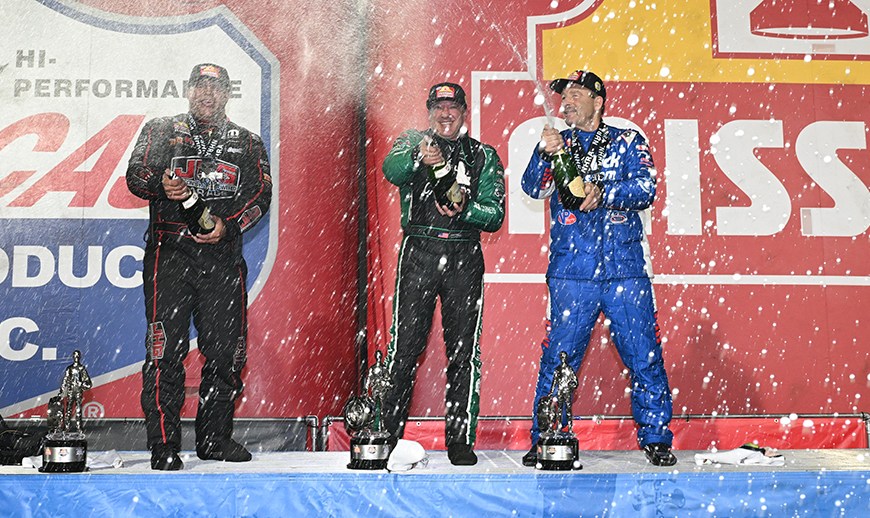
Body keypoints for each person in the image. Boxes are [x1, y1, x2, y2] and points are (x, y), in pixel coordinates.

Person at [520, 70, 676, 467]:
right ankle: (548, 436)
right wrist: (542, 153)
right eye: (564, 96)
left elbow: (646, 189)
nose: (567, 102)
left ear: (598, 101)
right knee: (559, 360)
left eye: (576, 94)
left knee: (644, 355)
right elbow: (532, 188)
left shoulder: (627, 141)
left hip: (625, 270)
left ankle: (656, 437)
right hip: (572, 273)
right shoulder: (559, 144)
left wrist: (604, 193)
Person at [126, 63, 272, 470]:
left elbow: (261, 193)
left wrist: (229, 225)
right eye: (201, 87)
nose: (208, 94)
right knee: (164, 353)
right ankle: (164, 445)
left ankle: (214, 439)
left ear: (227, 93)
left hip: (222, 258)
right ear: (189, 90)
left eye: (216, 88)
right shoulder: (161, 129)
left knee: (226, 355)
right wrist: (159, 183)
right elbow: (135, 175)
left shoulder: (248, 142)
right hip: (169, 255)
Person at [381, 82, 505, 466]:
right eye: (438, 107)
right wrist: (419, 157)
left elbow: (495, 215)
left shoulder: (482, 154)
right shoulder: (412, 141)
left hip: (464, 254)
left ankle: (460, 440)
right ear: (429, 111)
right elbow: (391, 169)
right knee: (404, 349)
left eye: (452, 107)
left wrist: (465, 209)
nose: (445, 114)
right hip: (419, 251)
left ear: (464, 111)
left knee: (463, 352)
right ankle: (386, 436)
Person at [59, 350, 92, 433]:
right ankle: (67, 427)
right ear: (73, 357)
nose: (76, 357)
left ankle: (78, 427)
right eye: (75, 356)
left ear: (79, 357)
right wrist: (62, 390)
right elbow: (65, 380)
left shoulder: (81, 368)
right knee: (68, 410)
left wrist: (82, 385)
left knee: (78, 410)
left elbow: (88, 382)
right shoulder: (69, 368)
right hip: (70, 392)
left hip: (78, 392)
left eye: (77, 356)